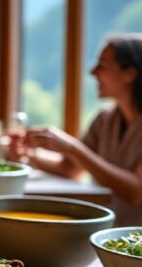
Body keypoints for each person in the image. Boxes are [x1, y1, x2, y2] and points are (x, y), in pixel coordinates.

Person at [10, 35, 142, 225]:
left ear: (130, 74)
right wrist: (29, 153)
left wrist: (72, 146)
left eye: (102, 65)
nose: (92, 72)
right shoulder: (105, 119)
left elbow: (135, 192)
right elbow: (69, 168)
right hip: (104, 235)